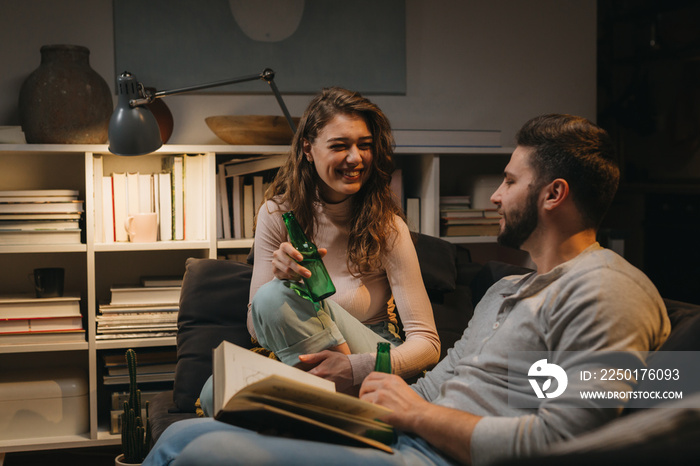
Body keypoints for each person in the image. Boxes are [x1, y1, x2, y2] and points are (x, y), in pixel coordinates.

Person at [143, 114, 670, 466]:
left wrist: (411, 412)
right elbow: (435, 386)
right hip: (398, 430)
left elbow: (567, 440)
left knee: (202, 453)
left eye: (510, 182)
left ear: (554, 194)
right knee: (180, 434)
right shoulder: (507, 288)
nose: (494, 197)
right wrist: (345, 402)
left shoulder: (608, 291)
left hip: (427, 455)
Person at [197, 87, 441, 415]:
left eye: (364, 146)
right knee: (217, 392)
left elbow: (427, 345)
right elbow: (257, 329)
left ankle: (341, 410)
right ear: (308, 149)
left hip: (372, 357)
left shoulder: (387, 226)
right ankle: (341, 411)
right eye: (340, 146)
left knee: (272, 298)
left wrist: (354, 367)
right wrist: (282, 279)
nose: (356, 158)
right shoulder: (276, 215)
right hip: (308, 358)